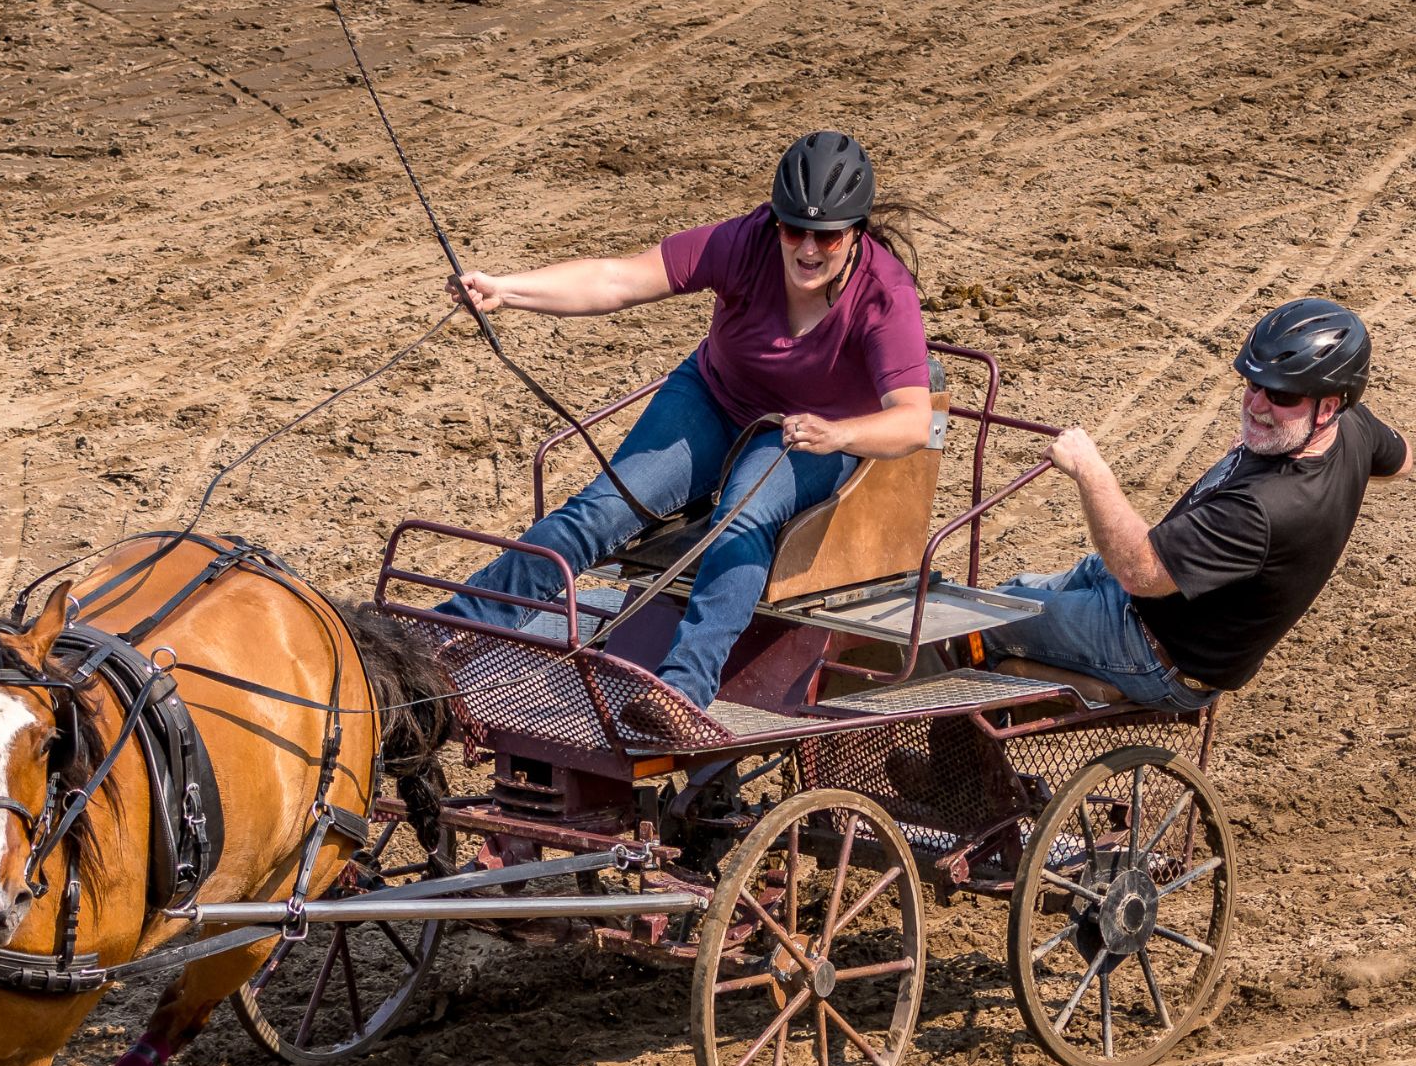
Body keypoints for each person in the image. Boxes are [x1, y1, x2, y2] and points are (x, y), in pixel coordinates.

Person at [435, 131, 935, 717]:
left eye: (825, 236)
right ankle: (460, 628)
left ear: (854, 232)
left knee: (741, 520)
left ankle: (681, 688)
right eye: (793, 228)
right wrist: (507, 290)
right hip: (715, 397)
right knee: (603, 509)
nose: (806, 248)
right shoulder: (742, 242)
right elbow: (618, 280)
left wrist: (839, 434)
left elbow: (913, 420)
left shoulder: (885, 294)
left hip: (810, 433)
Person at [983, 297, 1411, 703]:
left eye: (1281, 396)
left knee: (973, 628)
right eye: (1253, 383)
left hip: (1152, 650)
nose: (1257, 404)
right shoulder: (1353, 426)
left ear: (1326, 406)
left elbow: (1139, 571)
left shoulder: (1262, 509)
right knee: (1003, 594)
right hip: (1156, 598)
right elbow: (1401, 461)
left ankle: (955, 775)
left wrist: (1090, 471)